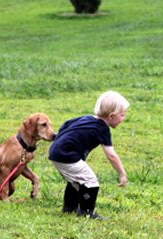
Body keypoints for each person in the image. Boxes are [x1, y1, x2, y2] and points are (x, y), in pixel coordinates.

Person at [49, 91, 129, 219]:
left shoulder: (86, 118)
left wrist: (61, 140)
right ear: (111, 116)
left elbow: (66, 124)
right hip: (67, 154)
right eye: (122, 115)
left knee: (76, 180)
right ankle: (86, 212)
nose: (123, 119)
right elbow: (111, 155)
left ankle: (69, 208)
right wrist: (122, 173)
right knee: (90, 181)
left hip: (56, 151)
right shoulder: (102, 129)